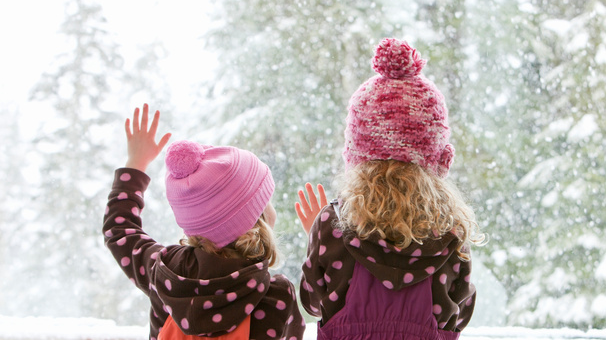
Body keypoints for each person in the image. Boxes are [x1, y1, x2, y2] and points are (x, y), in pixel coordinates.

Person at [295, 39, 486, 340]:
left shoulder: (333, 227)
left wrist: (318, 236)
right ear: (438, 158)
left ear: (356, 155)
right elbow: (460, 312)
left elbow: (312, 303)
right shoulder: (451, 232)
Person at [103, 104, 305, 340]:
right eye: (265, 201)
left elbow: (119, 231)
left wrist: (135, 164)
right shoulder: (275, 297)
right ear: (256, 222)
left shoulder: (166, 274)